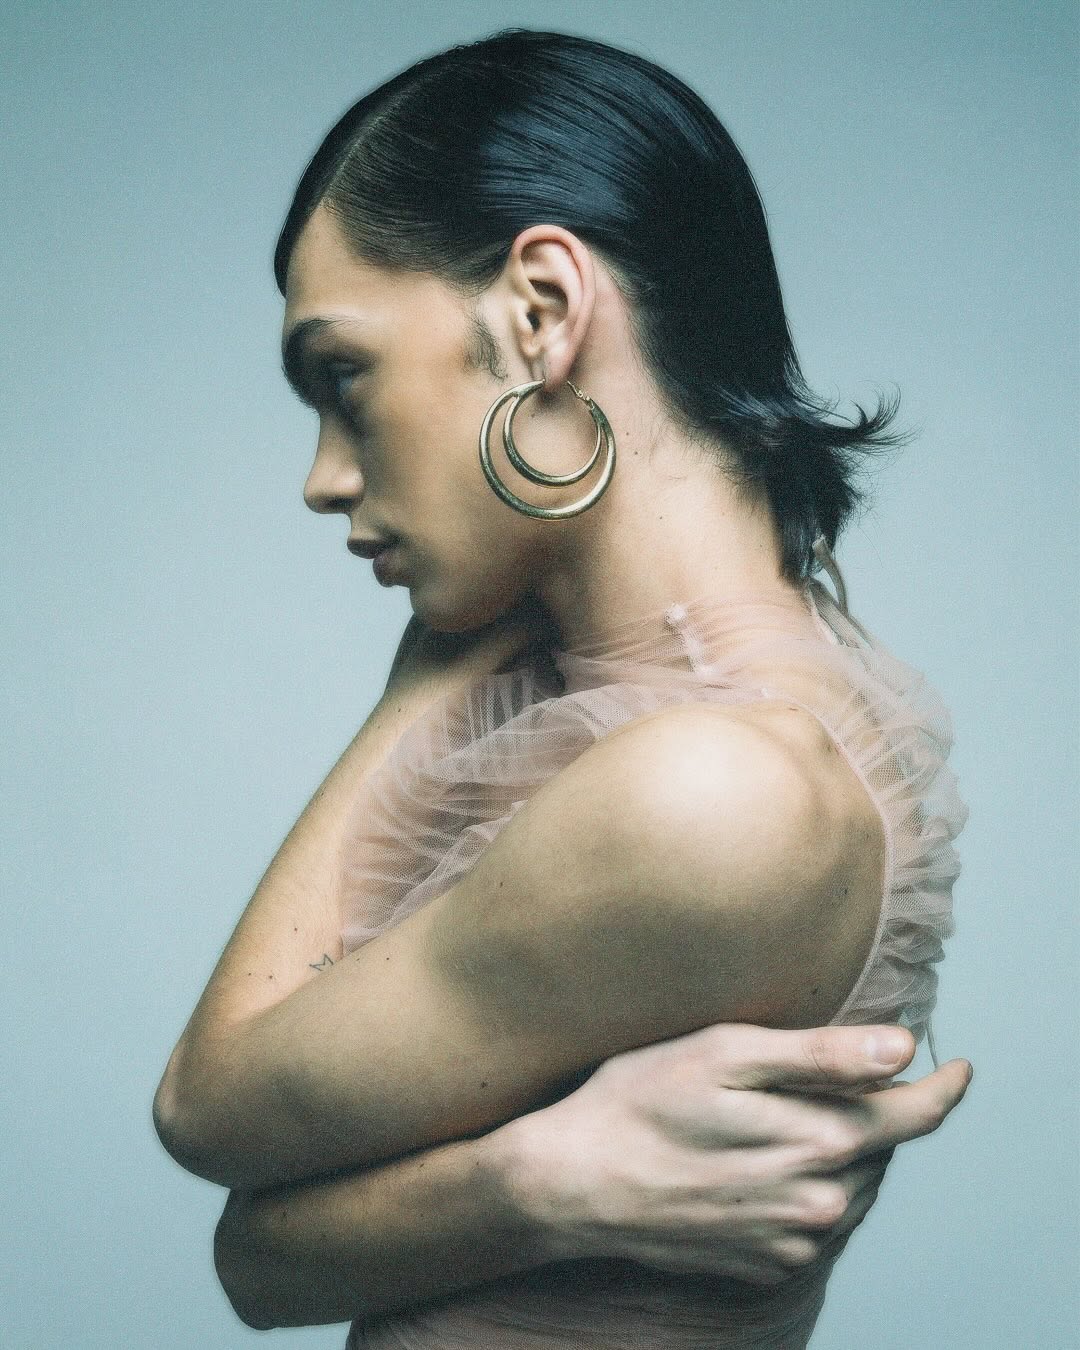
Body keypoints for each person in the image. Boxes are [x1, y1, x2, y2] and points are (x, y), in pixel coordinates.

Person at [153, 27, 972, 1347]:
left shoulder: (713, 789)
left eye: (344, 376)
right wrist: (543, 1181)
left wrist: (418, 680)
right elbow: (258, 1263)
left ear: (539, 313)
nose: (324, 477)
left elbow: (208, 1109)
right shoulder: (682, 697)